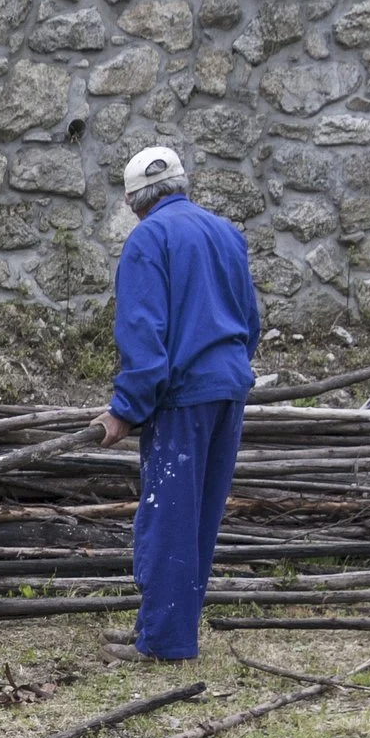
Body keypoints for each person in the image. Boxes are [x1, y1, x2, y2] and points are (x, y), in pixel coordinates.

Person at [90, 146, 261, 663]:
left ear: (131, 200)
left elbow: (144, 335)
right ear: (182, 184)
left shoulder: (149, 239)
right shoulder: (227, 234)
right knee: (200, 516)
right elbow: (249, 320)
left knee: (168, 516)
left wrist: (125, 409)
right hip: (228, 388)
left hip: (183, 396)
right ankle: (161, 629)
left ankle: (163, 643)